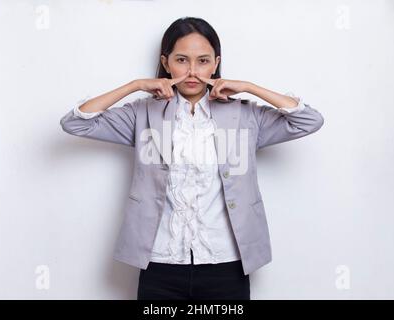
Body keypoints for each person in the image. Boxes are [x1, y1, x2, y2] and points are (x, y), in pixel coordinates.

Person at [60, 17, 324, 300]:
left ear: (216, 63)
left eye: (203, 61)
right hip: (160, 261)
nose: (192, 72)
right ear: (166, 62)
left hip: (226, 262)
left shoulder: (246, 116)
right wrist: (135, 85)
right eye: (182, 60)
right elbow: (76, 123)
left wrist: (249, 87)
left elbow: (308, 120)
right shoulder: (142, 114)